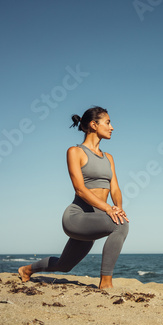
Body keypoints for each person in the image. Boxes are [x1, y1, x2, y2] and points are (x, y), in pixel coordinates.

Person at [18, 106, 129, 289]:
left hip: (96, 217)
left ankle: (27, 270)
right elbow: (80, 189)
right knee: (122, 225)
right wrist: (109, 209)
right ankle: (106, 283)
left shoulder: (108, 157)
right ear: (94, 125)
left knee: (65, 265)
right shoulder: (75, 152)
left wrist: (118, 206)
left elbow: (115, 188)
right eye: (108, 122)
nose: (112, 127)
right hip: (77, 217)